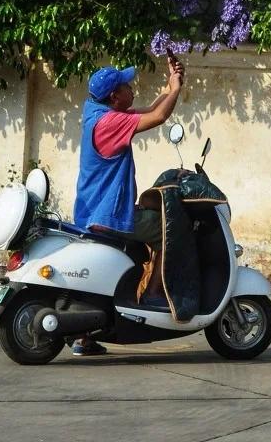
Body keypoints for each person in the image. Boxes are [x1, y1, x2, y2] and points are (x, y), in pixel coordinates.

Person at [70, 55, 185, 355]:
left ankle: (86, 335)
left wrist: (170, 85)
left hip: (91, 212)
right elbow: (158, 117)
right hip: (111, 214)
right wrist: (175, 91)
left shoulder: (96, 113)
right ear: (114, 96)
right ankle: (156, 296)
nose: (132, 89)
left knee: (135, 252)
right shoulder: (110, 123)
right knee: (169, 231)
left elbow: (148, 110)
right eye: (127, 87)